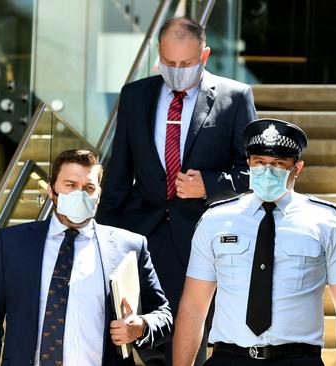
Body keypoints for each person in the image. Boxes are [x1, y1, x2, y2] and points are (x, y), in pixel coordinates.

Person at [96, 16, 257, 363]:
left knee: (186, 346)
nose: (177, 71)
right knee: (132, 339)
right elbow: (118, 175)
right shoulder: (135, 95)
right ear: (159, 55)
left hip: (200, 239)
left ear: (205, 55)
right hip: (141, 236)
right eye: (169, 63)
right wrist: (100, 240)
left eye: (186, 64)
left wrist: (210, 185)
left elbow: (254, 171)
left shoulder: (235, 97)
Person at [172, 119, 336, 365]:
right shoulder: (215, 220)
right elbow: (193, 306)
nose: (267, 171)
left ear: (297, 168)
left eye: (278, 164)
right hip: (229, 358)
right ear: (249, 164)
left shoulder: (328, 221)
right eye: (259, 163)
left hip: (297, 359)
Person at [0, 149, 173, 366]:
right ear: (51, 191)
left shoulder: (130, 246)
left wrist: (141, 326)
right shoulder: (12, 244)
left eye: (88, 188)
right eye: (70, 185)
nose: (80, 194)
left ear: (98, 193)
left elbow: (164, 316)